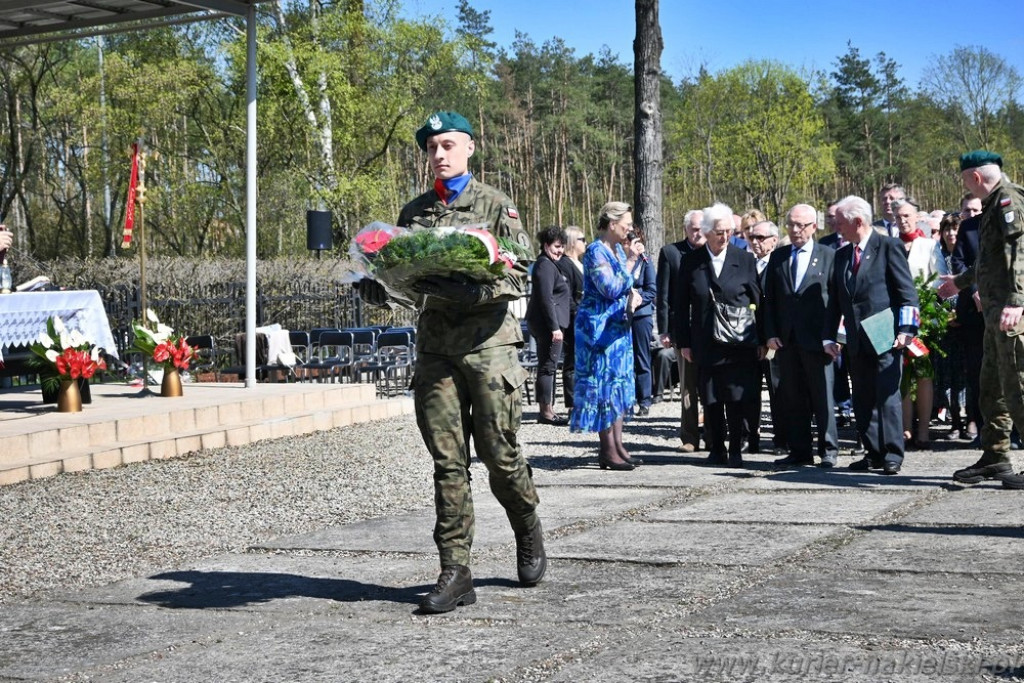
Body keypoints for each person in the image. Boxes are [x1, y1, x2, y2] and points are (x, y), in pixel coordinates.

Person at [357, 110, 545, 613]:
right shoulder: (414, 213)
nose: (438, 155)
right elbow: (405, 287)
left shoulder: (495, 204)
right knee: (448, 463)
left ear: (469, 148)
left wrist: (474, 287)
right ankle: (455, 570)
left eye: (446, 145)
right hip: (437, 350)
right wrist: (377, 286)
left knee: (500, 457)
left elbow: (519, 274)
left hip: (488, 348)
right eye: (431, 148)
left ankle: (526, 525)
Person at [937, 150, 1024, 488]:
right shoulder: (992, 206)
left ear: (974, 176)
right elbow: (989, 261)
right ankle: (996, 457)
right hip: (993, 315)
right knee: (991, 389)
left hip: (1010, 313)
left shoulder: (1008, 200)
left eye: (963, 178)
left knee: (1018, 385)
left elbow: (1020, 251)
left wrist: (1018, 300)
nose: (964, 184)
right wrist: (957, 283)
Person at [825, 195, 919, 475]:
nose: (837, 228)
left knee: (887, 395)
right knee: (863, 396)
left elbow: (907, 294)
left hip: (884, 331)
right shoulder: (842, 254)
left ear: (858, 221)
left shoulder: (888, 246)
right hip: (855, 335)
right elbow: (835, 300)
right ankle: (873, 452)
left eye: (841, 223)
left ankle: (892, 453)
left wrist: (906, 330)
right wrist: (829, 336)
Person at [677, 202, 762, 468]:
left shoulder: (745, 259)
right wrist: (684, 342)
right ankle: (716, 448)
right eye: (718, 231)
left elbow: (758, 300)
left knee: (736, 397)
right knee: (711, 397)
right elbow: (680, 305)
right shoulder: (691, 261)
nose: (724, 236)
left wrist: (763, 337)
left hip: (738, 342)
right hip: (705, 341)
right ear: (706, 232)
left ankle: (736, 448)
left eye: (728, 231)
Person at [763, 204, 840, 468]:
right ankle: (800, 450)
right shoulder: (779, 256)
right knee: (792, 397)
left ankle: (828, 450)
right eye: (791, 224)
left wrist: (832, 336)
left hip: (819, 340)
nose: (795, 230)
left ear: (814, 226)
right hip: (787, 339)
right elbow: (769, 300)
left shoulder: (829, 255)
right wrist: (770, 333)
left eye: (801, 225)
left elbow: (836, 300)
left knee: (823, 397)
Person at [571, 201, 643, 470]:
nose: (630, 229)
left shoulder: (618, 253)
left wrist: (633, 295)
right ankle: (607, 450)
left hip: (618, 327)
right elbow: (610, 287)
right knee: (603, 387)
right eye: (626, 224)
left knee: (620, 385)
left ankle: (618, 444)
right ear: (612, 224)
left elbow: (626, 285)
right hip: (597, 331)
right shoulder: (595, 252)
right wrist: (633, 261)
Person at [891, 198, 949, 449]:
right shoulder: (889, 245)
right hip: (895, 319)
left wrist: (924, 308)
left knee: (923, 375)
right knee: (901, 376)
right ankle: (905, 430)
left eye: (907, 216)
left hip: (923, 318)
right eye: (898, 216)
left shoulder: (928, 245)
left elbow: (938, 281)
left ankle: (923, 431)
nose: (902, 220)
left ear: (917, 218)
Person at [655, 209, 705, 452]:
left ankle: (716, 435)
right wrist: (664, 330)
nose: (698, 233)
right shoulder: (671, 253)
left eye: (702, 228)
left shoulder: (714, 252)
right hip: (682, 330)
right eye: (694, 228)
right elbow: (663, 295)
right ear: (685, 229)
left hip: (713, 330)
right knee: (688, 387)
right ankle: (690, 437)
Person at [526, 225, 571, 425]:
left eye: (562, 247)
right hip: (547, 325)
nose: (560, 250)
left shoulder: (550, 264)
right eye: (556, 246)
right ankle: (546, 412)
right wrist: (554, 327)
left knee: (548, 366)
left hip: (550, 323)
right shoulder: (544, 265)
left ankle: (548, 409)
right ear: (545, 245)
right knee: (547, 367)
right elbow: (545, 298)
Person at [748, 219, 785, 454]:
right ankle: (750, 438)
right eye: (752, 237)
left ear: (773, 240)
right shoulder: (747, 264)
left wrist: (769, 338)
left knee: (778, 391)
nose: (755, 242)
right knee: (749, 393)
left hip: (775, 341)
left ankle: (782, 439)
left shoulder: (780, 265)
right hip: (749, 340)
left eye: (760, 238)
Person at [933, 213, 968, 439]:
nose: (951, 233)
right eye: (947, 229)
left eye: (955, 229)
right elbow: (930, 289)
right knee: (947, 376)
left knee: (967, 377)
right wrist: (942, 314)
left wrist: (962, 315)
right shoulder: (936, 256)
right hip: (944, 327)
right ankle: (955, 422)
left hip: (968, 324)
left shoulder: (968, 255)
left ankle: (971, 421)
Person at [556, 226, 585, 413]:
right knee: (572, 361)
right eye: (582, 239)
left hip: (587, 319)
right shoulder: (564, 264)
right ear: (573, 242)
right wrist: (578, 314)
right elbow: (566, 296)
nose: (586, 243)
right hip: (575, 319)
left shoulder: (582, 264)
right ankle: (573, 405)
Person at [628, 229, 657, 415]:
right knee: (625, 358)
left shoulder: (645, 262)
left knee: (641, 357)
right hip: (621, 314)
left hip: (641, 315)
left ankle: (645, 400)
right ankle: (626, 400)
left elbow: (651, 290)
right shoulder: (621, 261)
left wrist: (638, 298)